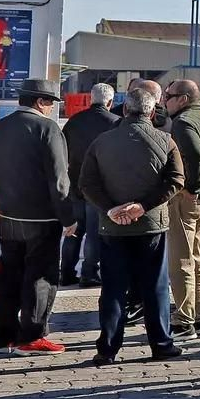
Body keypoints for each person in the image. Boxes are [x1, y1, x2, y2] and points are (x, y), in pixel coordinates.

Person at [78, 84, 184, 366]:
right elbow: (176, 180)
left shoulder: (101, 142)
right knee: (155, 287)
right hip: (151, 225)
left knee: (113, 288)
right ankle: (161, 344)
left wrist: (110, 208)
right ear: (152, 112)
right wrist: (143, 206)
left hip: (112, 226)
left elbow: (87, 183)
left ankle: (107, 349)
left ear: (124, 109)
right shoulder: (166, 140)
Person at [0, 78, 75, 355]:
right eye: (50, 103)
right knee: (41, 276)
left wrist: (2, 201)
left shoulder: (0, 127)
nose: (52, 108)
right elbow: (59, 180)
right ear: (40, 101)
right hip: (42, 218)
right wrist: (68, 217)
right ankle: (32, 336)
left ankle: (3, 335)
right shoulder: (48, 128)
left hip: (7, 215)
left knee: (9, 274)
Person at [165, 79, 200, 339]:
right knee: (198, 261)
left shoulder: (183, 122)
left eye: (169, 96)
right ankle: (199, 317)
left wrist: (191, 188)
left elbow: (196, 157)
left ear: (183, 99)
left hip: (191, 200)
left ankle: (183, 321)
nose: (165, 100)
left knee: (182, 261)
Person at [62, 83, 118, 288]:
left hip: (75, 184)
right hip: (99, 188)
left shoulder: (74, 122)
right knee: (95, 234)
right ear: (110, 102)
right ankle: (89, 273)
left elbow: (63, 153)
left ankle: (66, 272)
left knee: (73, 231)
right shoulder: (115, 123)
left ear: (90, 99)